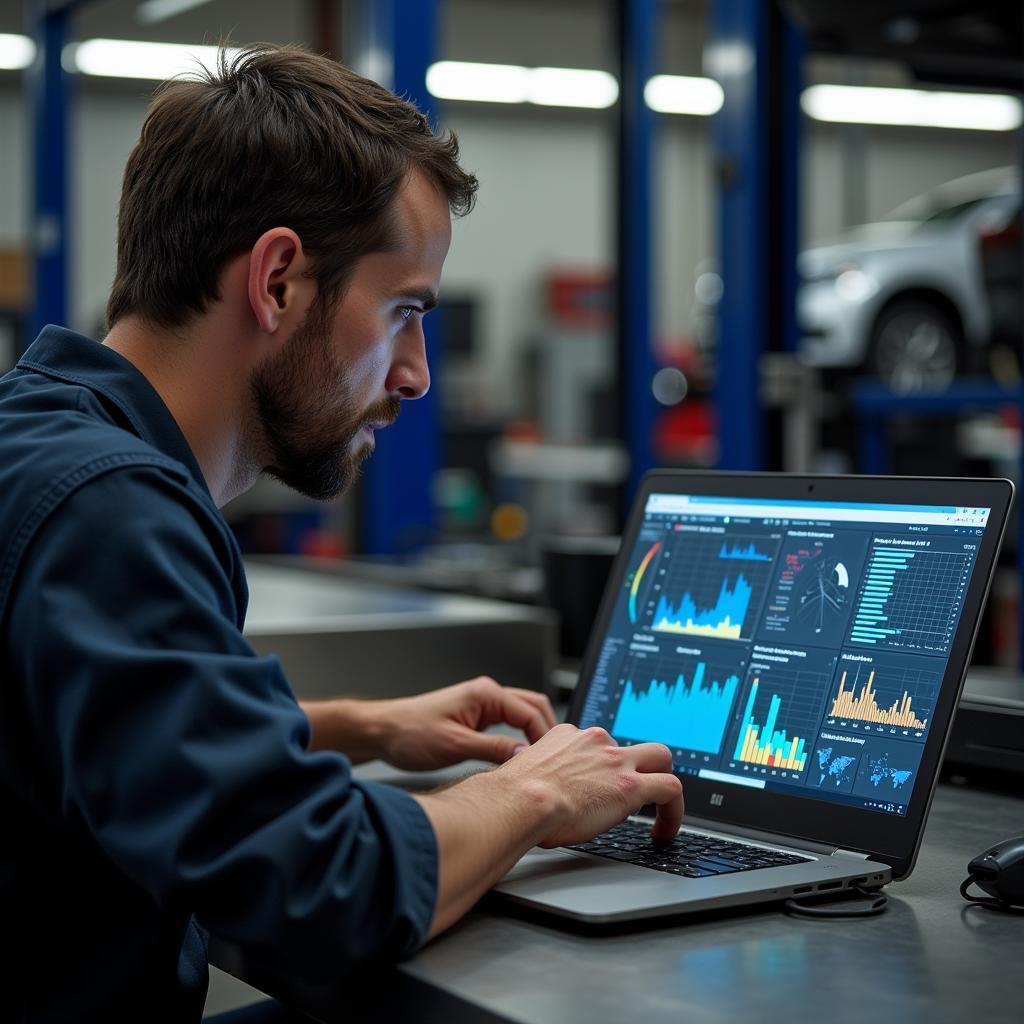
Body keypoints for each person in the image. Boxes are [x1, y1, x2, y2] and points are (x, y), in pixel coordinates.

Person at [0, 45, 683, 1023]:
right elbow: (313, 887)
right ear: (278, 280)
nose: (415, 375)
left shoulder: (39, 440)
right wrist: (534, 793)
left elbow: (95, 731)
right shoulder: (103, 508)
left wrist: (360, 725)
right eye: (403, 311)